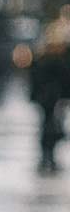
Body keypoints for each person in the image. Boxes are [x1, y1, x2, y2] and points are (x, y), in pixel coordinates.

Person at [29, 19, 70, 173]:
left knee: (51, 127)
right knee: (49, 127)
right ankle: (47, 157)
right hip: (49, 100)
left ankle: (48, 157)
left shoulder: (51, 59)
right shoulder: (48, 60)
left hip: (52, 99)